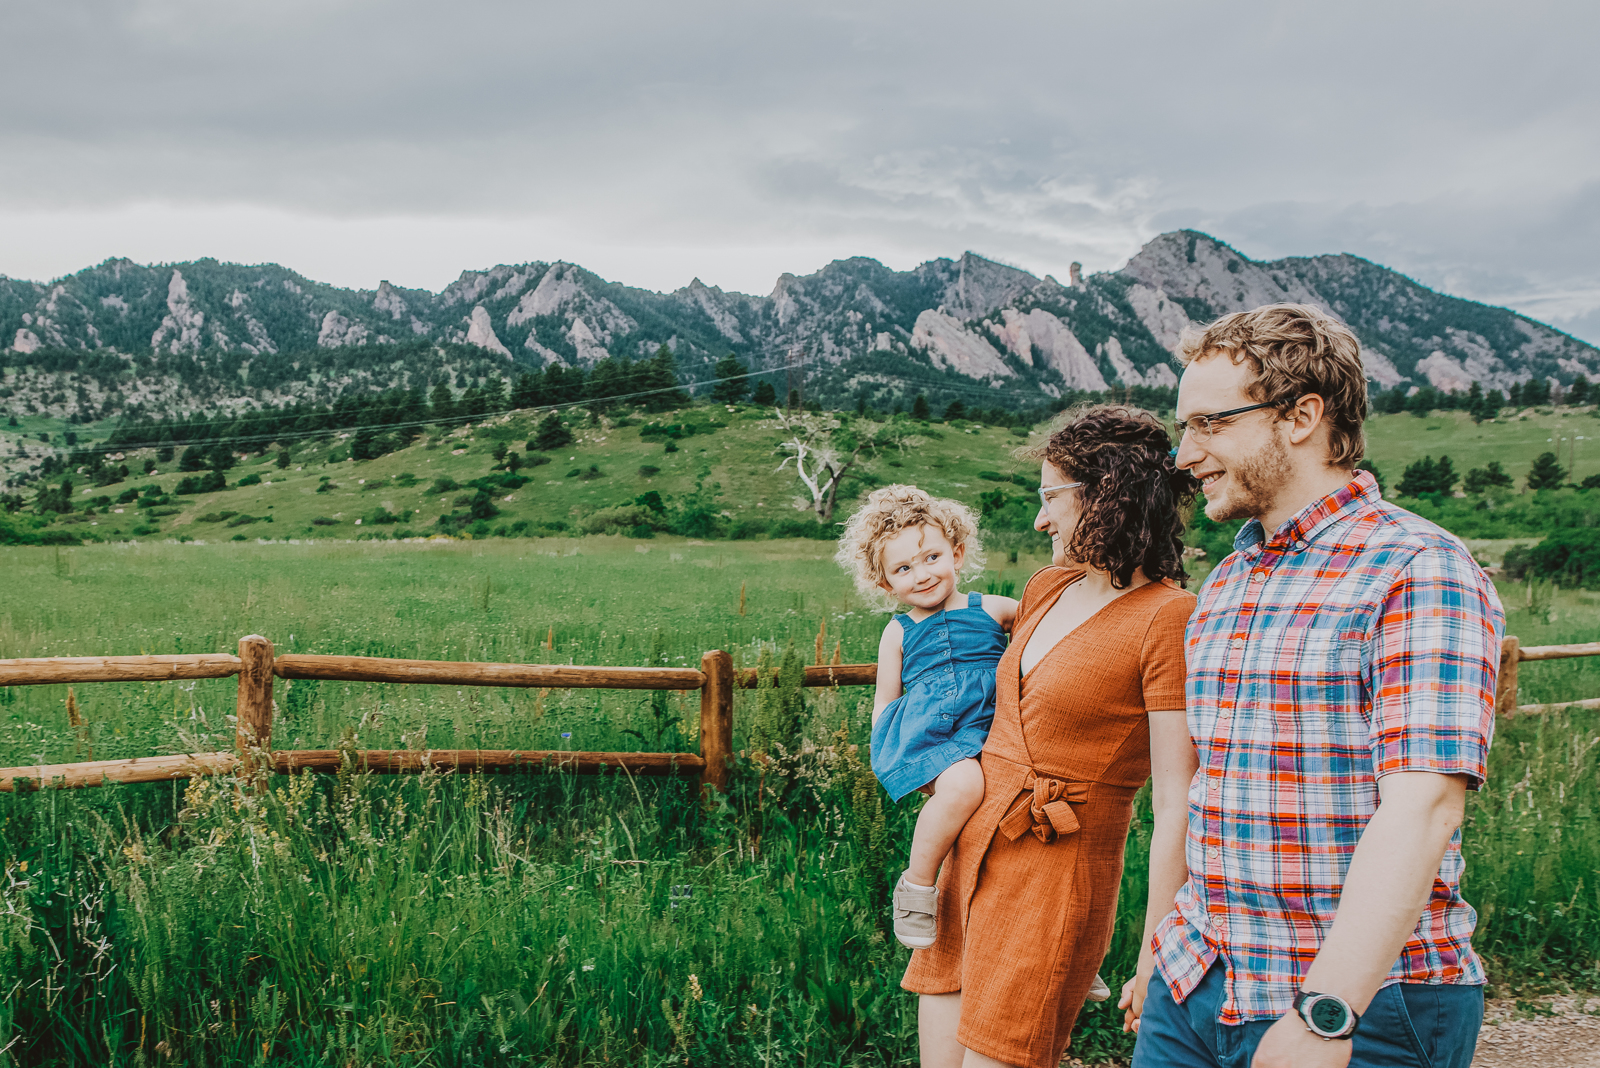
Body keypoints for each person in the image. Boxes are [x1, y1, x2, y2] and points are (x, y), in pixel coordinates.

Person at [1127, 303, 1503, 1068]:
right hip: (1196, 979)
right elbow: (1204, 790)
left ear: (1301, 416)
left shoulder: (1418, 567)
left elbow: (1424, 809)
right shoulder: (1229, 578)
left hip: (1362, 1005)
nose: (1183, 452)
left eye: (1208, 424)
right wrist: (1161, 952)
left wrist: (1325, 1011)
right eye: (1183, 427)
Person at [906, 406, 1199, 1068]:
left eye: (1051, 498)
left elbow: (1176, 800)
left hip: (1055, 870)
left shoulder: (1168, 618)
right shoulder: (1046, 587)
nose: (1040, 520)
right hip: (971, 851)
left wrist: (1158, 944)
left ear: (1107, 494)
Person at [835, 485, 1016, 947]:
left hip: (995, 731)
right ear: (885, 583)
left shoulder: (994, 609)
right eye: (903, 568)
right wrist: (890, 748)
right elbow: (886, 700)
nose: (921, 575)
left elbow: (1053, 629)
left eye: (931, 557)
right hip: (931, 739)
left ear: (956, 552)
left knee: (1026, 818)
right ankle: (916, 888)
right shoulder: (898, 631)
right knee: (965, 787)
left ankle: (1065, 947)